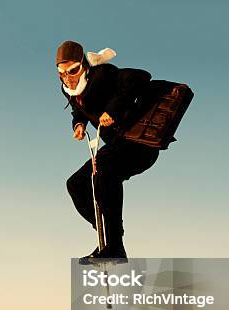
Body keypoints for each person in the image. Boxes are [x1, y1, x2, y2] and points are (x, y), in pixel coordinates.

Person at [57, 40, 159, 261]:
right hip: (116, 147)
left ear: (83, 65)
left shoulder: (103, 74)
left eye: (73, 71)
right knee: (76, 184)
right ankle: (106, 236)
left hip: (140, 144)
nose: (68, 78)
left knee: (103, 169)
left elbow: (141, 77)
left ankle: (115, 246)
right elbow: (79, 108)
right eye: (62, 74)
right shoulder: (69, 89)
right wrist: (79, 124)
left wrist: (112, 109)